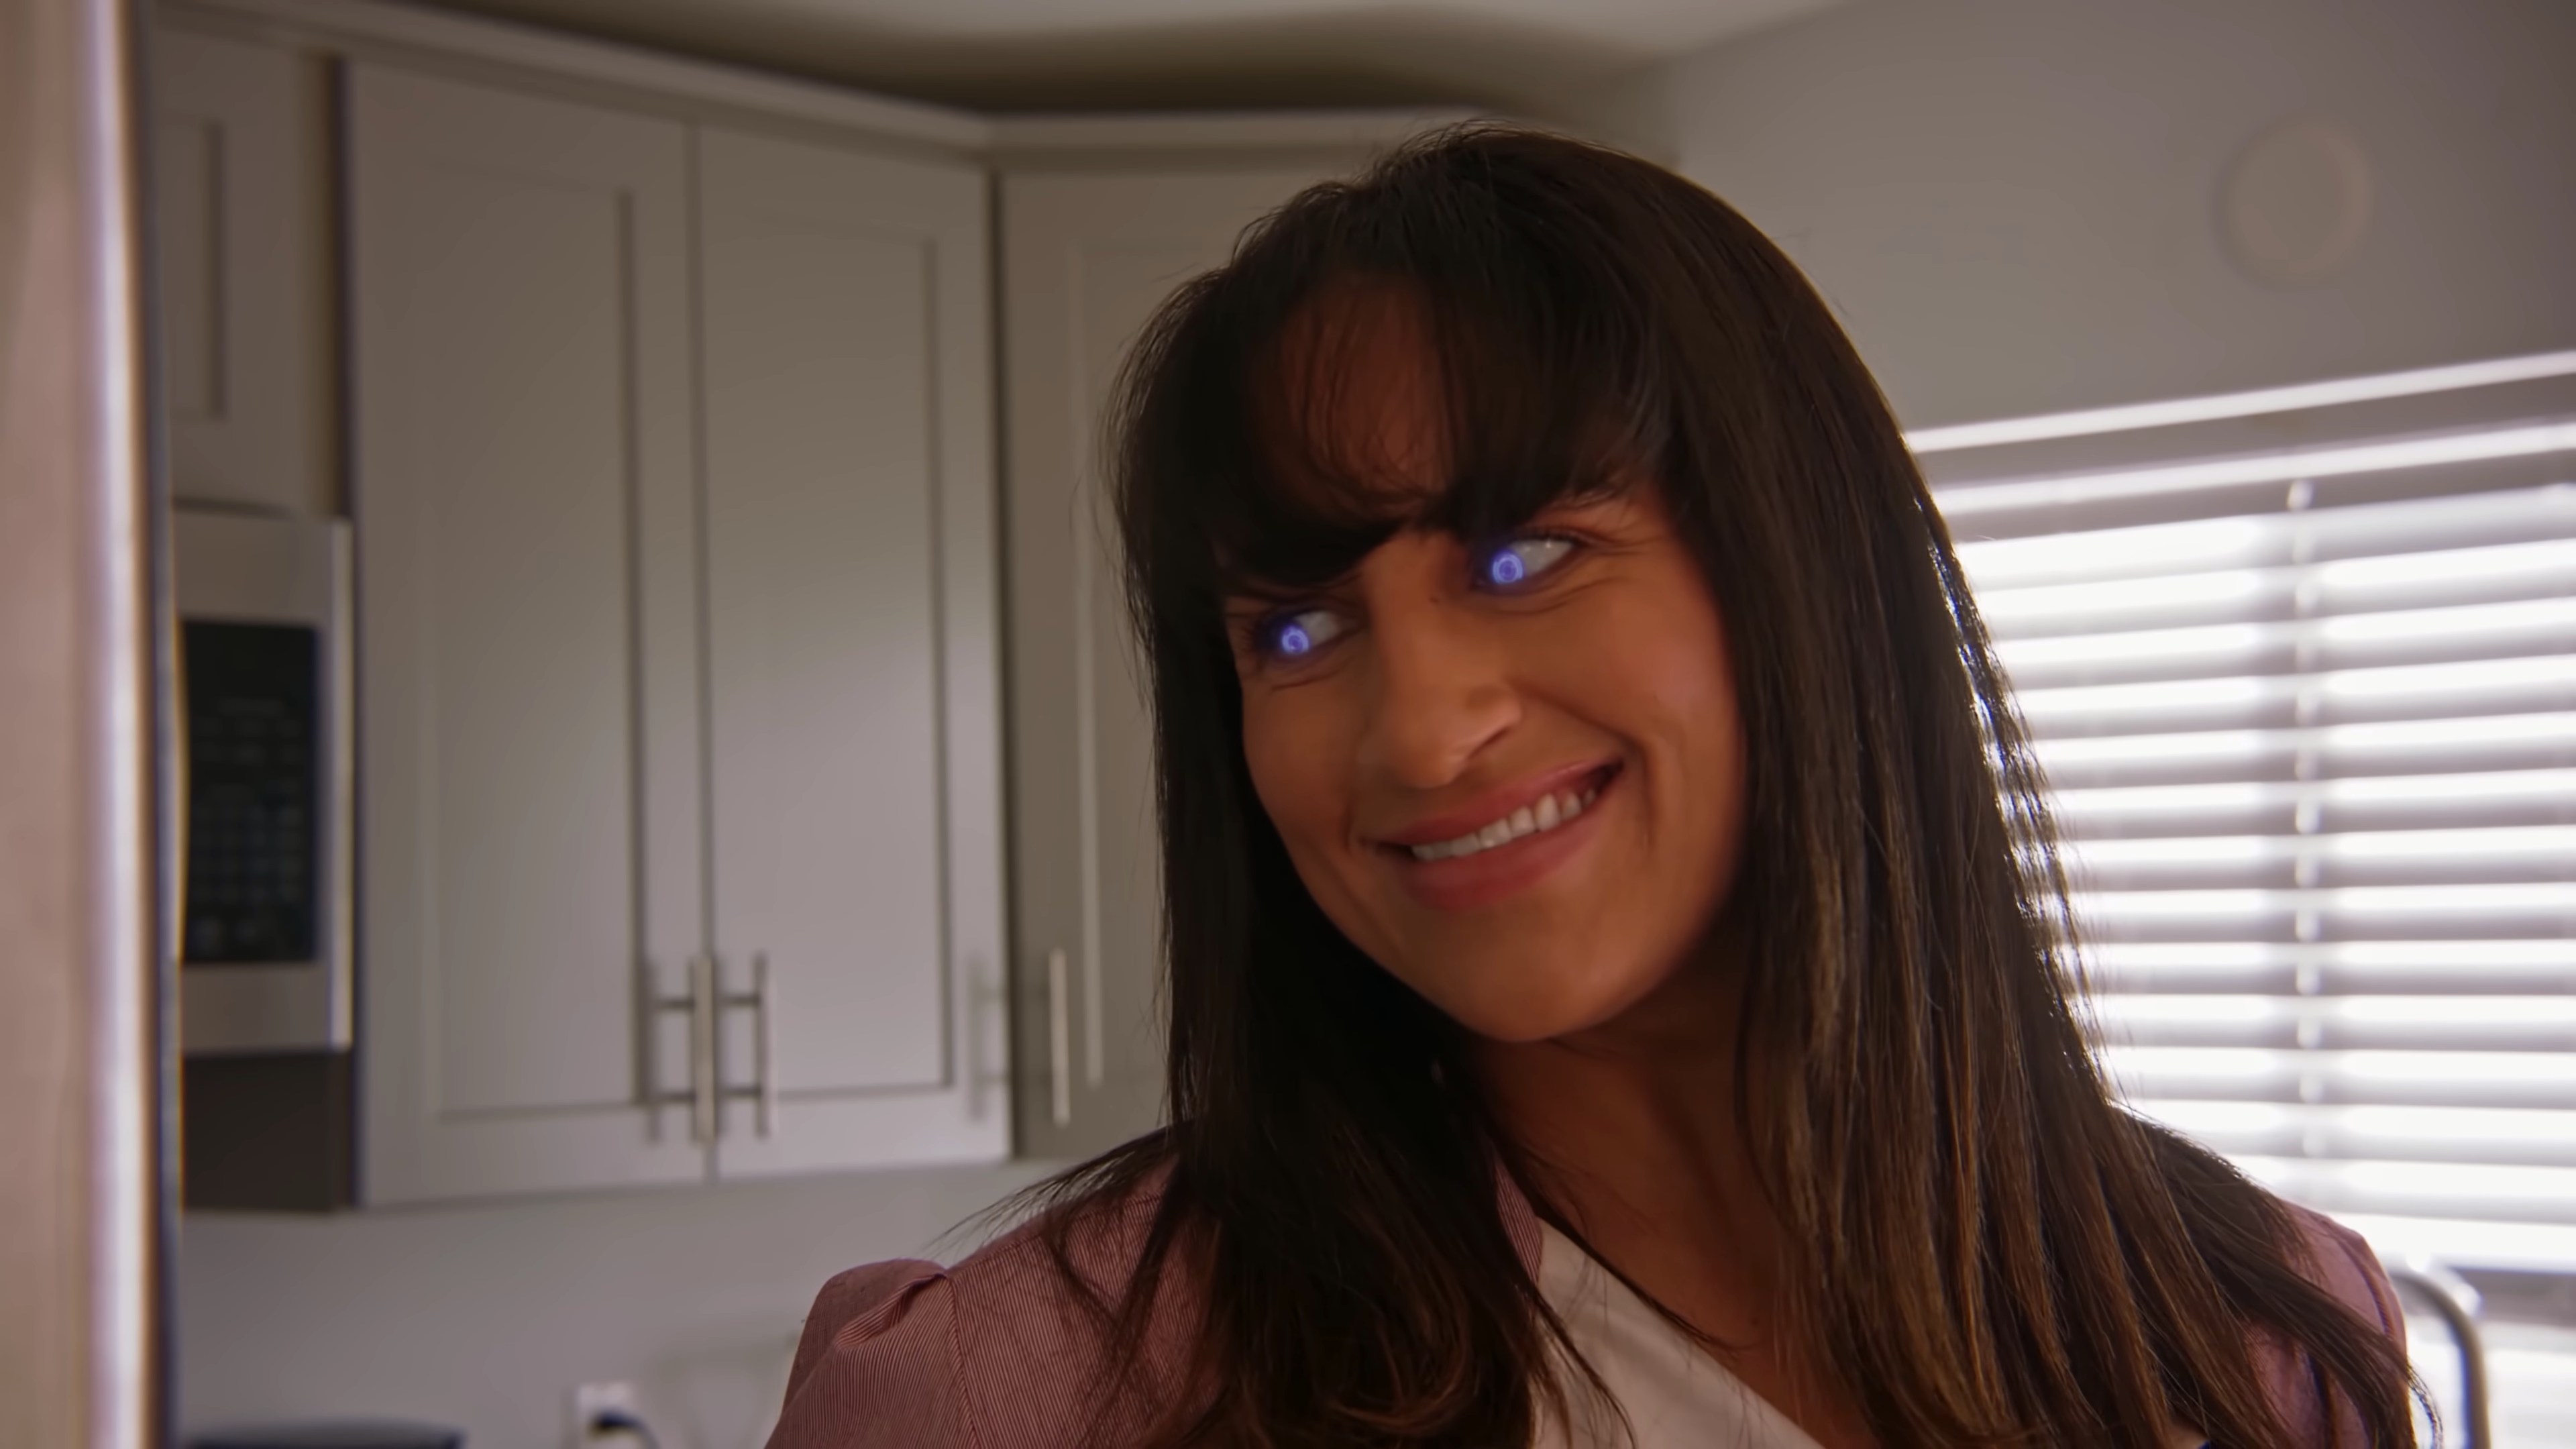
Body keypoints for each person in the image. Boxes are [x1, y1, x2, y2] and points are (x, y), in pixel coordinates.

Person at [767, 126, 2418, 1449]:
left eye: (1524, 554)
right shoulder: (1011, 1396)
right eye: (1297, 626)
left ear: (1806, 578)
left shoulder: (2255, 1333)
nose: (1420, 735)